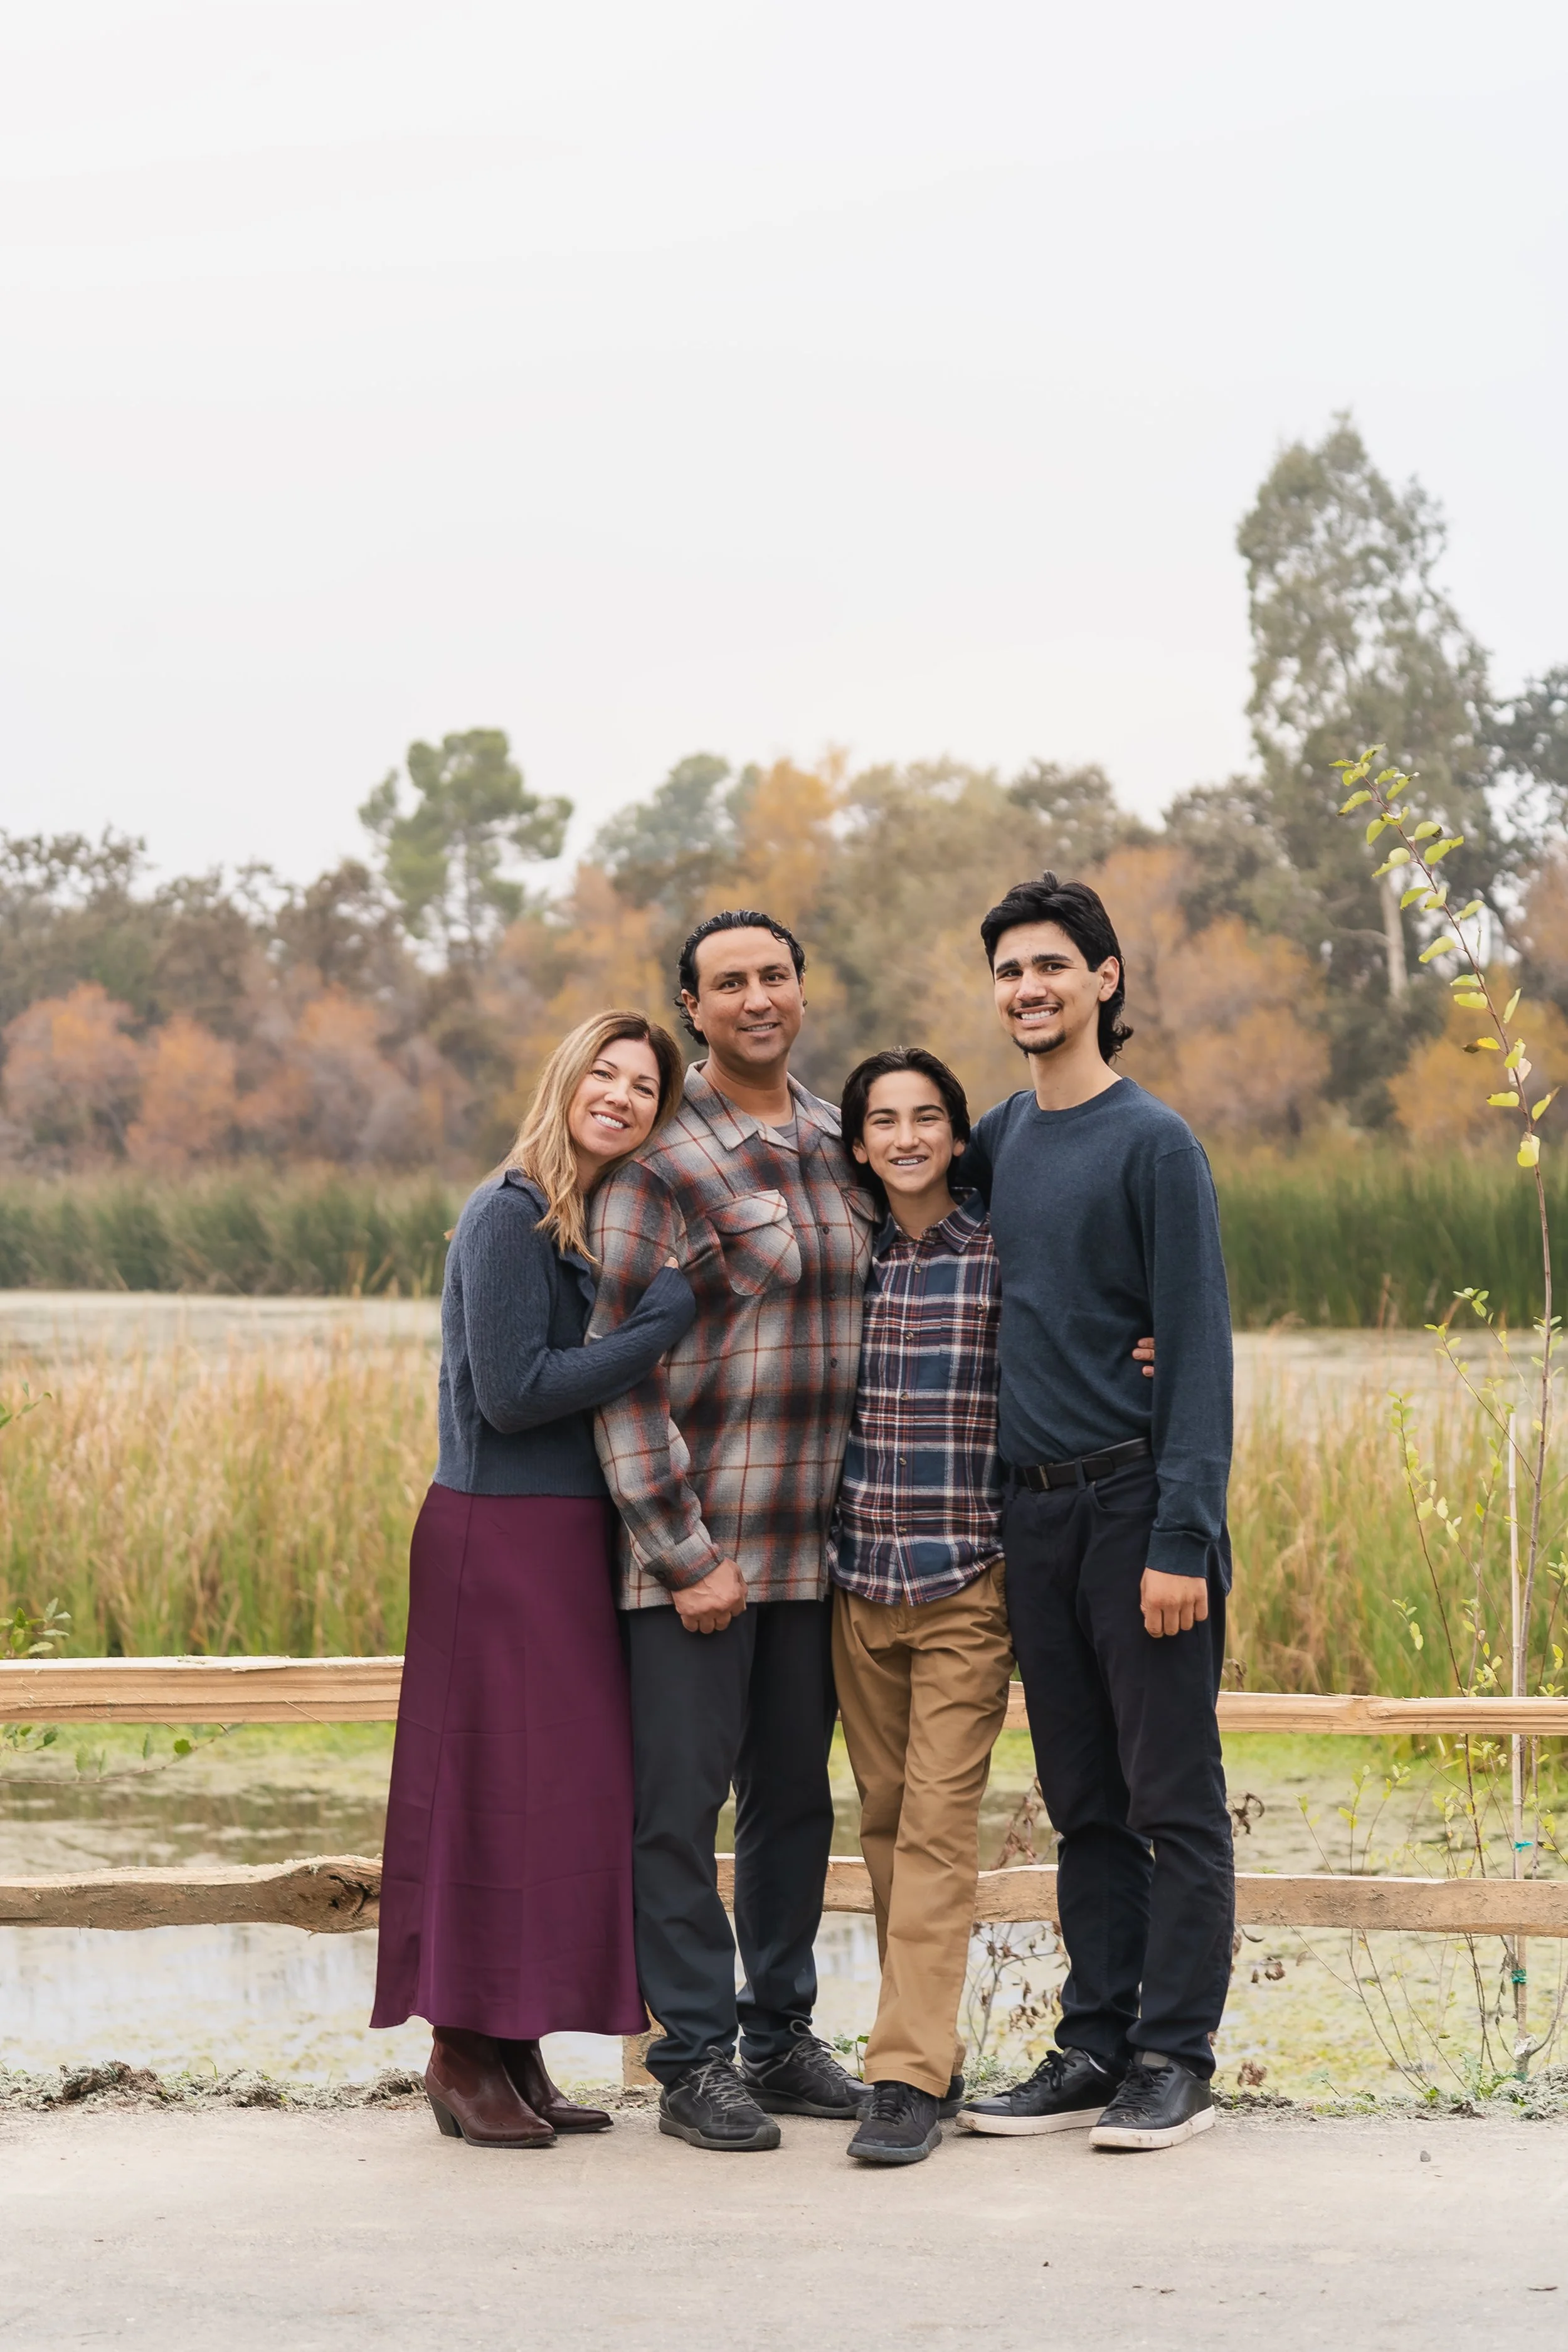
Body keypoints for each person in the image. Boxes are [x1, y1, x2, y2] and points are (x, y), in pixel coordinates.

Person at [371, 1010, 696, 2149]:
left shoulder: (578, 1224)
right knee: (486, 1793)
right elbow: (513, 1393)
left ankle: (513, 2041)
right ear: (565, 1081)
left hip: (561, 1538)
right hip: (494, 1538)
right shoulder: (508, 1213)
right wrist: (657, 1327)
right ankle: (460, 2048)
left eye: (643, 1085)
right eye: (602, 1074)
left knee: (553, 1795)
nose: (620, 1095)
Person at [830, 1048, 1153, 2168]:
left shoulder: (1000, 1257)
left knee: (932, 1829)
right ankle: (928, 2048)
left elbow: (1090, 1323)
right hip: (858, 1583)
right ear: (860, 1143)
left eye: (929, 1117)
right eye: (885, 1120)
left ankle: (905, 2078)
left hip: (967, 1583)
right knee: (878, 1825)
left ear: (959, 1138)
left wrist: (1145, 1352)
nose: (908, 1135)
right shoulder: (847, 1260)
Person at [955, 872, 1235, 2154]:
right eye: (1010, 970)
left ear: (1102, 981)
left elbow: (1192, 1351)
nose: (1028, 987)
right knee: (1082, 1804)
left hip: (1135, 1510)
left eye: (1051, 966)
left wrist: (1182, 1535)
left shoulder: (1153, 1142)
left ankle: (1173, 2058)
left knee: (1170, 1800)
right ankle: (1092, 2041)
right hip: (1032, 1518)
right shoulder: (998, 1143)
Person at [588, 911, 876, 2153]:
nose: (756, 997)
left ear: (801, 991)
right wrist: (679, 1549)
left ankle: (780, 2034)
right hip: (701, 1554)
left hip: (819, 1547)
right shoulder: (656, 1167)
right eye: (728, 983)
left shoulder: (839, 1139)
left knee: (792, 1805)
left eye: (774, 976)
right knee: (678, 1810)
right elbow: (619, 1376)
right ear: (692, 1010)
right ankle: (692, 2057)